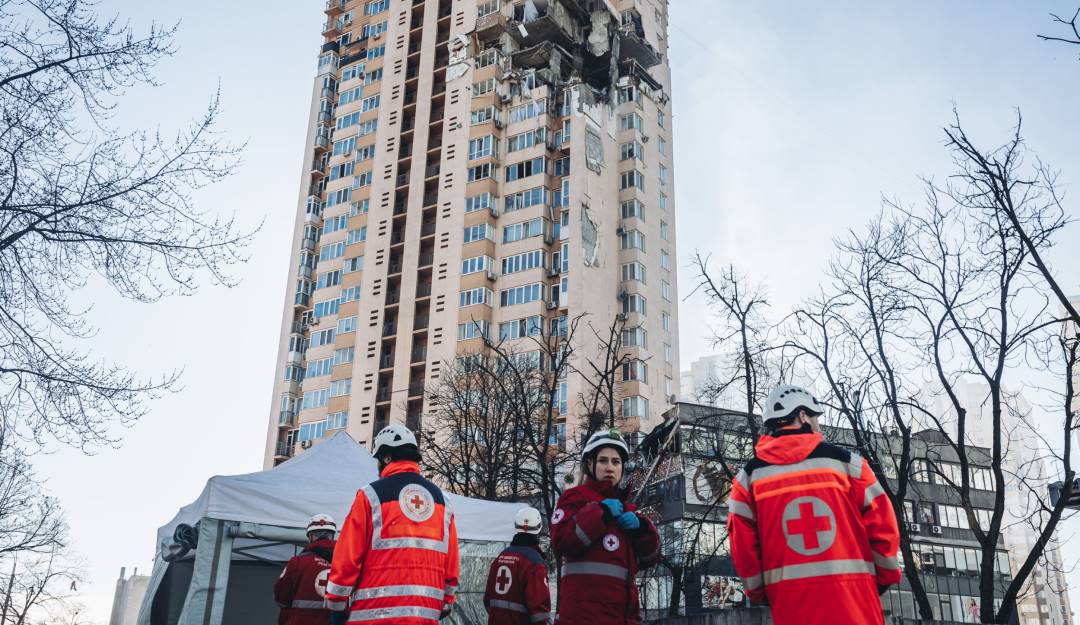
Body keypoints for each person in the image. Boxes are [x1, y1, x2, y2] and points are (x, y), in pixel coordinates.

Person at [727, 384, 902, 625]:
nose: (819, 425)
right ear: (802, 416)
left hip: (791, 608)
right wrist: (883, 578)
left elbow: (744, 550)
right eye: (815, 417)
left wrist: (760, 593)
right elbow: (884, 527)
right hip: (856, 605)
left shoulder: (748, 481)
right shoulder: (849, 465)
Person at [325, 424, 460, 625]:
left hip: (373, 617)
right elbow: (451, 565)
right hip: (425, 617)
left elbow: (347, 557)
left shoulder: (370, 496)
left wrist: (336, 603)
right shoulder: (443, 502)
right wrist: (446, 602)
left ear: (386, 457)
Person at [550, 429, 660, 625]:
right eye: (603, 461)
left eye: (616, 462)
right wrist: (599, 513)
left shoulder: (628, 508)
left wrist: (642, 529)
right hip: (582, 618)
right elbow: (561, 542)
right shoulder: (574, 497)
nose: (610, 468)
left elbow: (651, 558)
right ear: (590, 464)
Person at [483, 507, 551, 625]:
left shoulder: (501, 557)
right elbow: (539, 612)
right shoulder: (535, 563)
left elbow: (488, 600)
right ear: (539, 528)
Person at [273, 514, 338, 625]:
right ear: (332, 536)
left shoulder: (297, 562)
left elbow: (281, 597)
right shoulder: (345, 563)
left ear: (311, 537)